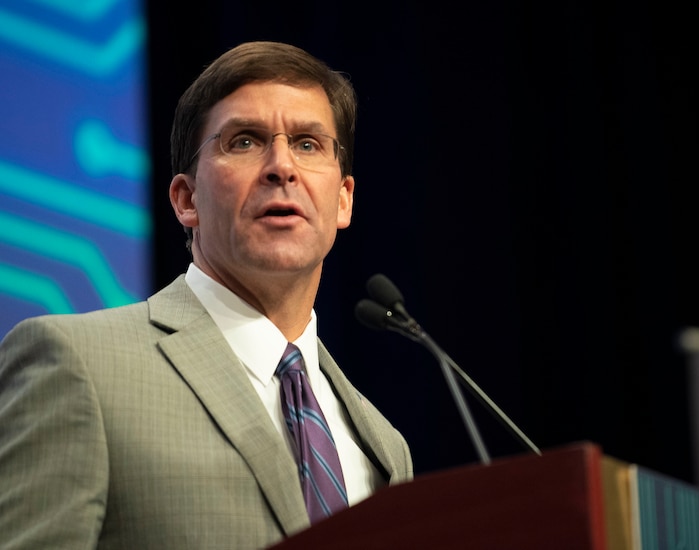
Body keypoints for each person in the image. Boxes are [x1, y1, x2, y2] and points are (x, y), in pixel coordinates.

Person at [0, 41, 414, 549]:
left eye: (308, 144)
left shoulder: (384, 446)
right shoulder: (79, 364)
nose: (282, 167)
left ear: (343, 198)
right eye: (244, 141)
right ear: (186, 199)